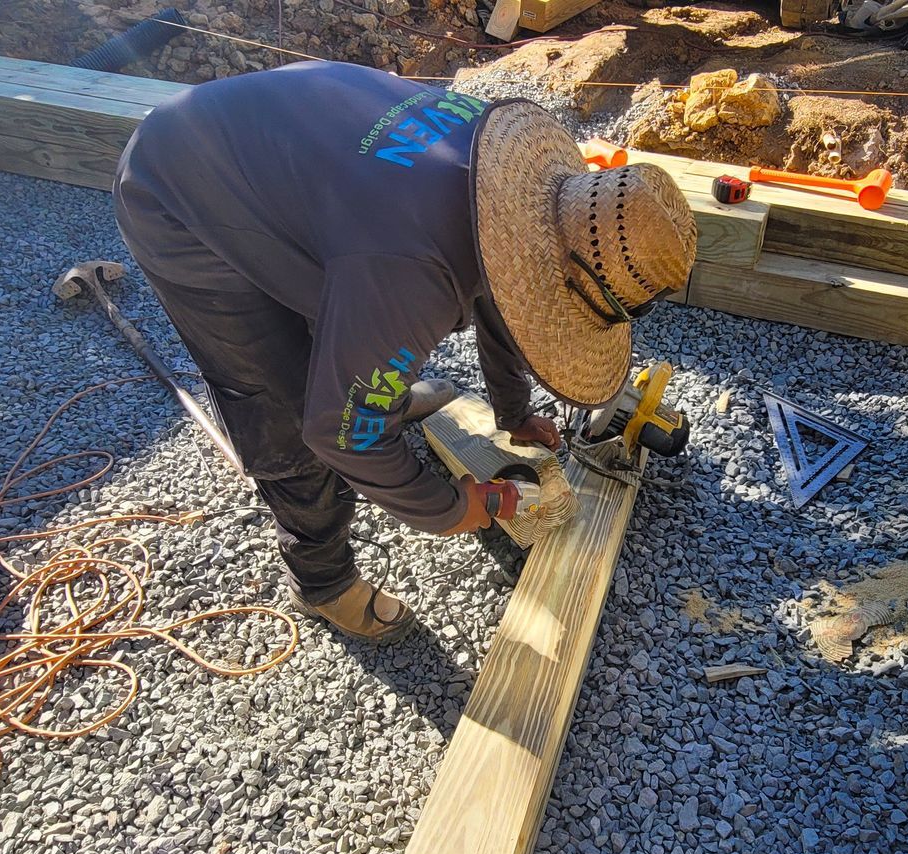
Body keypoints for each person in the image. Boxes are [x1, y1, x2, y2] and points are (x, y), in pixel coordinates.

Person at [112, 61, 697, 643]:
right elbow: (336, 436)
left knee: (357, 336)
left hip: (289, 163)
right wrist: (455, 509)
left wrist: (512, 410)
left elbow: (506, 286)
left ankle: (376, 391)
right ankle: (324, 583)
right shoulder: (410, 272)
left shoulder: (522, 185)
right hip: (178, 191)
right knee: (287, 415)